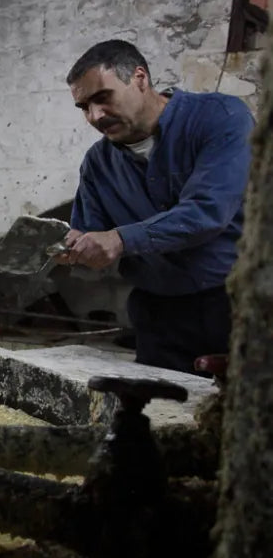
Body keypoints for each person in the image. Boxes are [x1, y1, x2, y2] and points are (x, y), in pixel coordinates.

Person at [58, 40, 253, 374]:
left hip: (241, 304)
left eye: (103, 97)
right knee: (164, 417)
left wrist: (119, 239)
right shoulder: (97, 163)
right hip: (159, 315)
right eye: (84, 107)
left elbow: (207, 212)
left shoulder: (220, 118)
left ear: (140, 78)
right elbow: (91, 232)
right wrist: (73, 247)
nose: (95, 116)